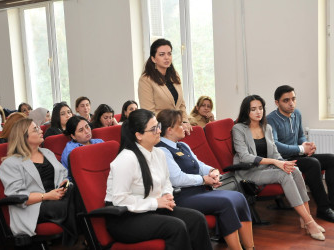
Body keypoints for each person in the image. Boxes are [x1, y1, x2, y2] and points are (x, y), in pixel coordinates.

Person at [104, 109, 211, 250]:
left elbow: (166, 181)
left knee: (196, 219)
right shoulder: (126, 159)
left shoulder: (159, 153)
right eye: (153, 129)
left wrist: (167, 194)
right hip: (125, 219)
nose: (159, 131)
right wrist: (155, 202)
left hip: (151, 210)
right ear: (139, 135)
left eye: (158, 126)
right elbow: (120, 200)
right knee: (176, 227)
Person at [156, 109, 254, 250]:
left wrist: (212, 171)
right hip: (182, 196)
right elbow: (177, 179)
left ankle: (250, 248)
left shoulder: (182, 145)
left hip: (199, 191)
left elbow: (199, 165)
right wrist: (203, 179)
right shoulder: (162, 150)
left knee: (239, 197)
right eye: (181, 124)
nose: (185, 126)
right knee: (226, 202)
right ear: (170, 130)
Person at [233, 95, 325, 241]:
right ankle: (309, 222)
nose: (258, 112)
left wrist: (284, 163)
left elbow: (275, 153)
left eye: (260, 108)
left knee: (294, 170)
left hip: (267, 168)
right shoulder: (238, 128)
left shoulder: (267, 127)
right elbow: (244, 156)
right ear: (246, 111)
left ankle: (305, 219)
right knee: (284, 175)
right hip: (249, 172)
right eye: (253, 109)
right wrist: (276, 163)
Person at [0, 118, 78, 246]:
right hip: (33, 207)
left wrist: (63, 186)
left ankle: (79, 239)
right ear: (24, 137)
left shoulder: (47, 152)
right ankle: (79, 239)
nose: (41, 130)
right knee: (74, 204)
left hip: (56, 198)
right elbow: (17, 196)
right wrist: (47, 196)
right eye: (35, 129)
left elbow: (63, 173)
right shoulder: (10, 163)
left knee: (76, 192)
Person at [267, 85, 334, 223]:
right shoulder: (270, 119)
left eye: (293, 99)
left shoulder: (297, 113)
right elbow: (275, 146)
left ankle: (332, 205)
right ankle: (323, 208)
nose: (291, 103)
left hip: (298, 156)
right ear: (277, 102)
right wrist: (301, 149)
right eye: (286, 100)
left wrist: (306, 145)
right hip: (283, 160)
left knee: (331, 159)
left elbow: (300, 136)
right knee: (313, 163)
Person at [138, 38, 192, 134]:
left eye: (169, 53)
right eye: (162, 54)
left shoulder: (174, 75)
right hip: (160, 130)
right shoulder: (146, 80)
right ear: (153, 58)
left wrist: (184, 121)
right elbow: (149, 113)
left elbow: (181, 104)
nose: (167, 57)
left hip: (178, 128)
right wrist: (175, 124)